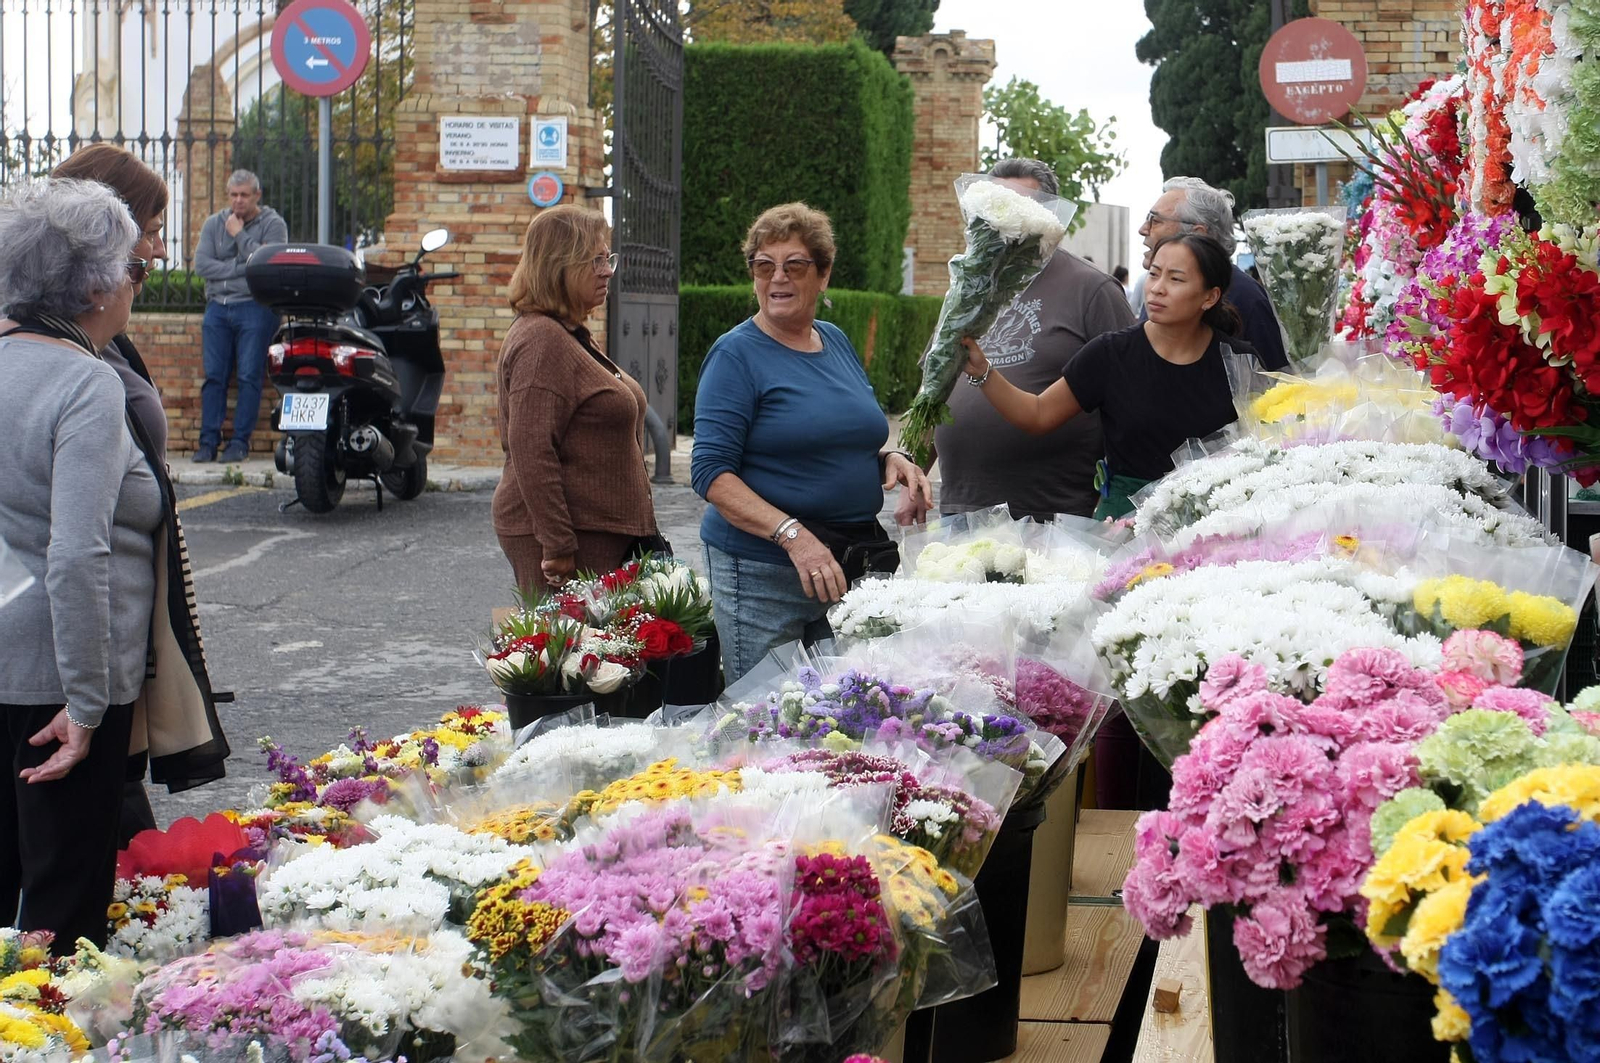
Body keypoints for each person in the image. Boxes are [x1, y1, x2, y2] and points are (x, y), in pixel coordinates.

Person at [48, 145, 232, 846]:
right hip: (81, 636)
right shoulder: (67, 354)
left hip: (124, 619)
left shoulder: (105, 334)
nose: (156, 249)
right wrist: (86, 688)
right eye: (149, 228)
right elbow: (71, 537)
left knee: (113, 827)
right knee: (93, 844)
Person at [0, 178, 157, 951]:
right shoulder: (86, 382)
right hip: (54, 683)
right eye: (135, 269)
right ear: (98, 284)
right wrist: (88, 705)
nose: (137, 285)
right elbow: (76, 552)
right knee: (62, 922)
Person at [692, 203, 933, 683]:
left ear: (823, 275)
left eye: (794, 265)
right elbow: (711, 474)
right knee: (765, 719)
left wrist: (890, 458)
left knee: (852, 710)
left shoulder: (835, 340)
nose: (776, 277)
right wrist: (795, 536)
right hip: (764, 574)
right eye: (764, 265)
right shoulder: (735, 355)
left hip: (847, 565)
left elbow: (839, 432)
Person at [960, 233, 1250, 522]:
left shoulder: (1239, 360)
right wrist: (983, 371)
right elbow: (1038, 414)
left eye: (1176, 279)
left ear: (1210, 296)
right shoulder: (1111, 352)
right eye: (1153, 274)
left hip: (1215, 523)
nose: (1157, 289)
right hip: (1122, 527)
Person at [934, 158, 1136, 521]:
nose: (1000, 217)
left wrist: (1116, 500)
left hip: (1055, 517)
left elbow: (1132, 404)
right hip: (959, 513)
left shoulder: (1092, 290)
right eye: (992, 205)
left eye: (1016, 206)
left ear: (1048, 217)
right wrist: (912, 466)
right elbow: (935, 387)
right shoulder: (966, 289)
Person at [493, 205, 660, 596]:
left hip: (598, 535)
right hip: (571, 544)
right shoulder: (541, 341)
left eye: (608, 258)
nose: (607, 270)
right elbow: (532, 450)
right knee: (573, 654)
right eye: (595, 260)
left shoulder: (567, 333)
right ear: (558, 266)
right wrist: (558, 544)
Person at [1137, 176, 1288, 372]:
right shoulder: (1155, 290)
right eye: (1155, 275)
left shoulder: (1247, 298)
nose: (1143, 230)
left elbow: (1275, 384)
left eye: (1155, 220)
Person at [191, 169, 287, 463]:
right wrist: (240, 268)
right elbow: (202, 266)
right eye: (233, 195)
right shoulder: (213, 223)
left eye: (244, 195)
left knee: (248, 376)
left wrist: (239, 235)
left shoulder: (273, 224)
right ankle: (207, 443)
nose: (238, 201)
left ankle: (239, 443)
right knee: (214, 378)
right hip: (218, 308)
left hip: (255, 307)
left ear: (257, 195)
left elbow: (268, 264)